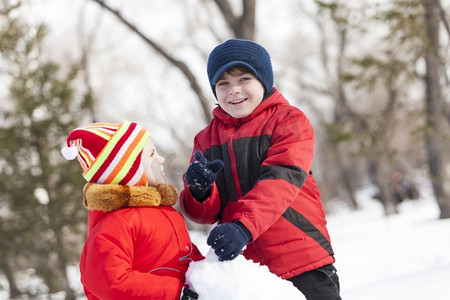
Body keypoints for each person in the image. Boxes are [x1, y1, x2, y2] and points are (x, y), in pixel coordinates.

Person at [179, 39, 341, 300]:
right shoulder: (205, 140)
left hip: (301, 262)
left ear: (263, 80)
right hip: (250, 274)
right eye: (223, 83)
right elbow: (205, 214)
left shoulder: (288, 121)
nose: (234, 90)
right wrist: (200, 192)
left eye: (243, 78)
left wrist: (243, 227)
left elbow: (281, 181)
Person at [61, 120, 202, 300]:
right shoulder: (117, 222)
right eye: (152, 154)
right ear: (129, 172)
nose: (161, 159)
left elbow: (184, 256)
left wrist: (210, 271)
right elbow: (110, 281)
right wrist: (176, 293)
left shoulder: (165, 212)